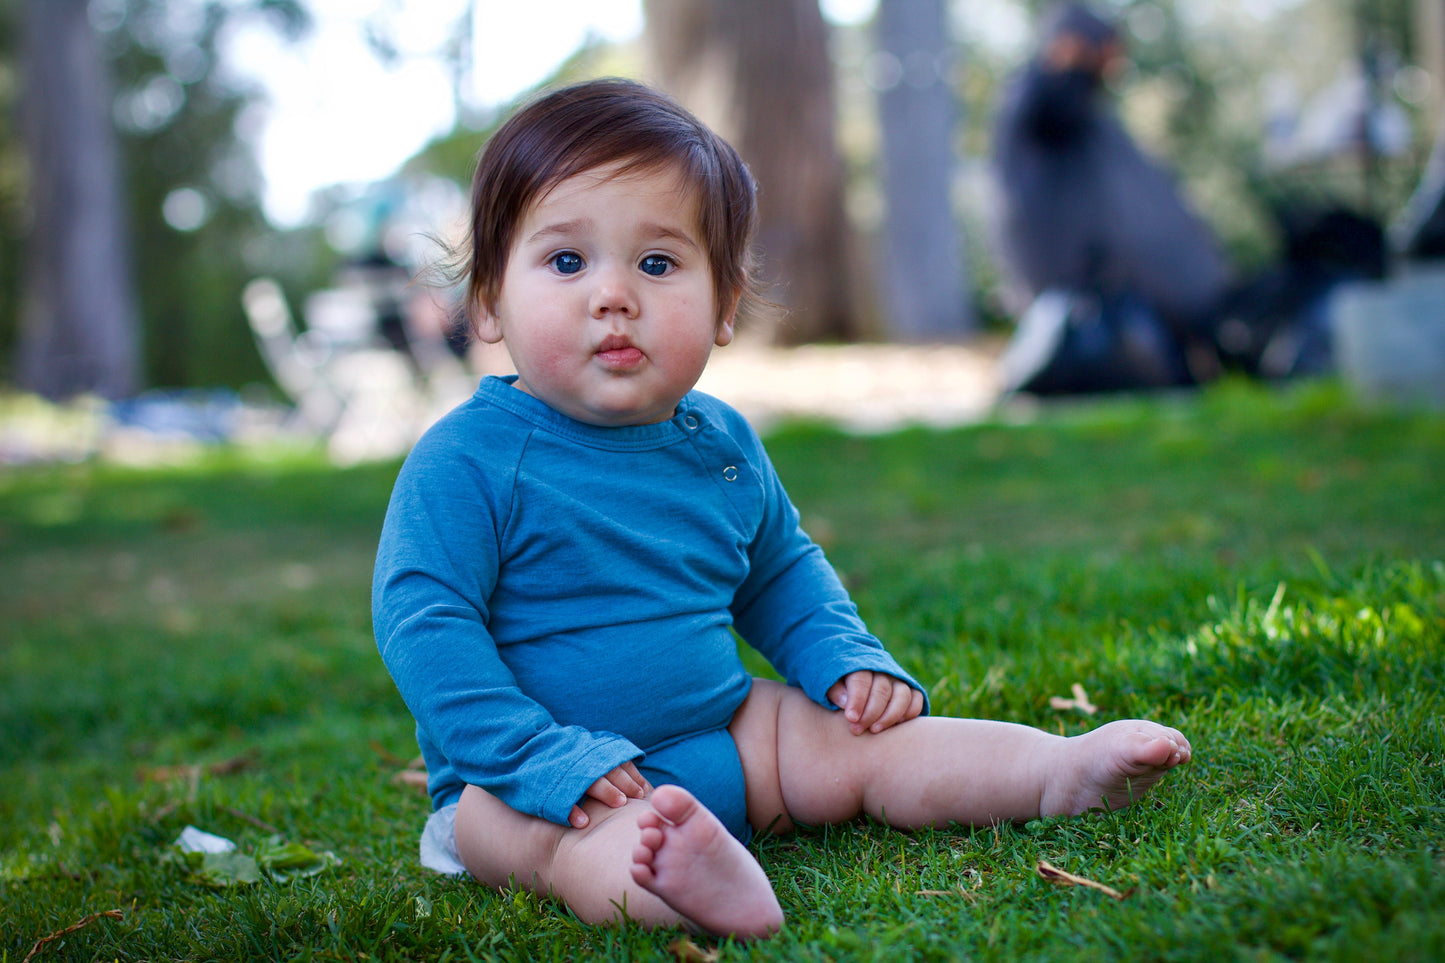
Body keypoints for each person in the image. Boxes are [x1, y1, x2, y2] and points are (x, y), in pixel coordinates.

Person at [372, 78, 1192, 940]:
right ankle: (693, 884)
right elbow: (424, 623)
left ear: (724, 304)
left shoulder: (719, 442)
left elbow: (777, 568)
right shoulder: (468, 458)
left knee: (860, 741)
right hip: (531, 783)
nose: (613, 295)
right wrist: (537, 759)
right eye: (566, 261)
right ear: (490, 300)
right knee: (552, 842)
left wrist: (838, 652)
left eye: (657, 263)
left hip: (723, 730)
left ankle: (1051, 772)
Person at [990, 3, 1230, 352]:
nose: (1112, 68)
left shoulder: (1085, 114)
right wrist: (1072, 61)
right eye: (1104, 56)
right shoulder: (1043, 97)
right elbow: (1054, 108)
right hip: (1080, 270)